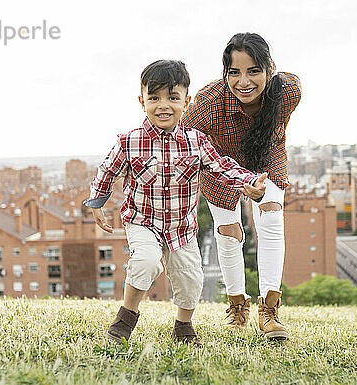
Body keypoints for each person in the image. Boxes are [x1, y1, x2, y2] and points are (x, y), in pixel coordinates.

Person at [83, 60, 267, 346]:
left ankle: (183, 325)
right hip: (142, 220)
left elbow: (220, 166)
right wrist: (97, 202)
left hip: (181, 228)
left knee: (191, 277)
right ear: (142, 101)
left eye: (172, 97)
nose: (163, 105)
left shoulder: (196, 142)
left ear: (186, 101)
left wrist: (248, 182)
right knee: (144, 262)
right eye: (154, 98)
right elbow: (108, 170)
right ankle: (126, 317)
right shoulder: (129, 142)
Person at [181, 33, 301, 340]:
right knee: (229, 232)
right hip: (220, 165)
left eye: (253, 71)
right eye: (234, 72)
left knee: (272, 217)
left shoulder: (288, 91)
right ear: (225, 74)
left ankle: (269, 310)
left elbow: (280, 124)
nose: (243, 81)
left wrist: (255, 178)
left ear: (269, 69)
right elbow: (182, 143)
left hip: (265, 156)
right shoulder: (206, 105)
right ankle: (237, 305)